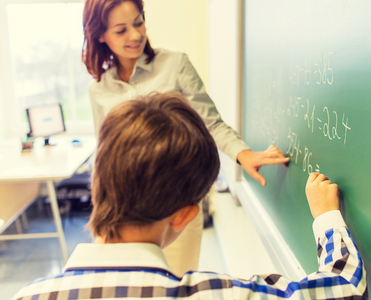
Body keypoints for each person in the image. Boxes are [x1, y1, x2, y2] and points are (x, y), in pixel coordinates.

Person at [13, 92, 367, 300]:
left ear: (98, 183)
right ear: (185, 215)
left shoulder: (25, 296)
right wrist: (325, 216)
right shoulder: (214, 294)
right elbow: (345, 288)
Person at [81, 0, 289, 276]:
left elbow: (209, 123)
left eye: (139, 21)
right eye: (121, 30)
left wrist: (243, 153)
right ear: (100, 35)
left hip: (176, 206)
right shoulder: (98, 88)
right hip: (123, 211)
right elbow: (105, 156)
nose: (135, 35)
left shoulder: (175, 64)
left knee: (175, 284)